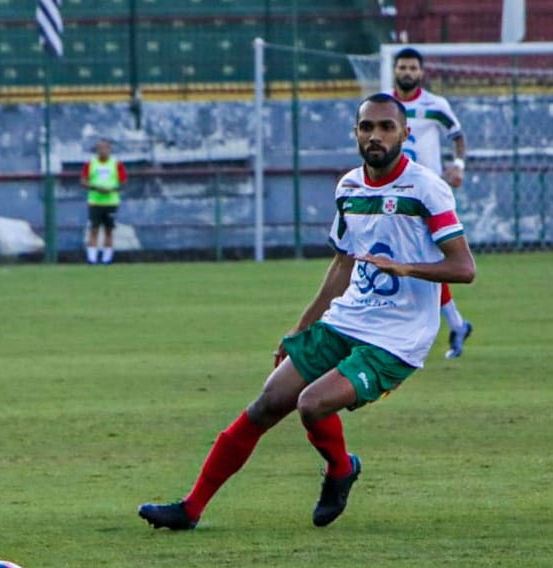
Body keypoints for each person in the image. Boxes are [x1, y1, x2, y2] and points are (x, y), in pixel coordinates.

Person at [138, 93, 476, 532]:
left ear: (404, 133)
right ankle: (191, 508)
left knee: (311, 404)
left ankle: (341, 468)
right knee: (266, 404)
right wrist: (300, 329)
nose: (375, 135)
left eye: (386, 127)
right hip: (348, 319)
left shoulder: (426, 189)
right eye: (367, 127)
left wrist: (406, 267)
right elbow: (342, 264)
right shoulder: (349, 188)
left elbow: (464, 268)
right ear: (355, 133)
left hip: (398, 337)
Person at [393, 47, 473, 359]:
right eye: (403, 67)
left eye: (412, 67)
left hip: (429, 193)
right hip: (396, 192)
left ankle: (449, 325)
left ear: (421, 72)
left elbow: (458, 135)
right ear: (395, 70)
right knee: (419, 258)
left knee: (426, 258)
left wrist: (458, 166)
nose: (407, 72)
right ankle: (456, 324)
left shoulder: (434, 105)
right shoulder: (386, 105)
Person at [80, 139, 127, 265]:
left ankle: (107, 259)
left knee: (109, 230)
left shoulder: (116, 164)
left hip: (111, 203)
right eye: (100, 148)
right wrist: (95, 188)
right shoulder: (91, 164)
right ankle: (92, 259)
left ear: (110, 150)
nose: (102, 151)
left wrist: (112, 189)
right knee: (94, 229)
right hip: (95, 202)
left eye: (105, 148)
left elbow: (123, 182)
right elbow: (83, 181)